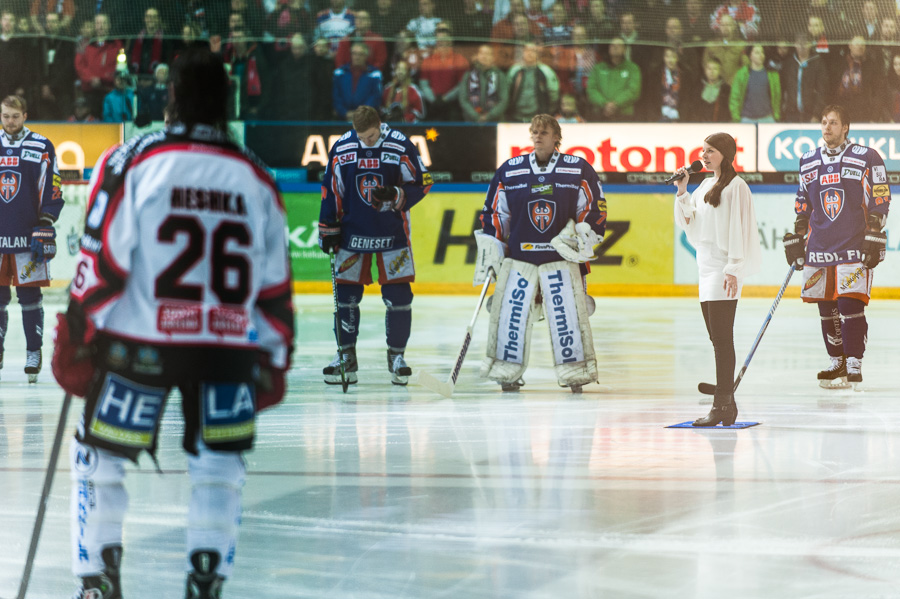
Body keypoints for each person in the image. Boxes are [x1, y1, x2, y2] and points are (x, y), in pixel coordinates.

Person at [52, 47, 295, 599]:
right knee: (219, 465)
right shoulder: (258, 176)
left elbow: (101, 262)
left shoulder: (131, 160)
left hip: (142, 344)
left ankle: (97, 583)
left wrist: (77, 334)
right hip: (227, 350)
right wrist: (273, 360)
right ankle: (206, 582)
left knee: (101, 457)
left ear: (171, 98)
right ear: (228, 102)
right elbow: (275, 287)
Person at [475, 114, 607, 392]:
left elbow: (594, 209)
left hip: (562, 261)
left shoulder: (578, 169)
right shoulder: (510, 170)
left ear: (557, 136)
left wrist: (583, 236)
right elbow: (495, 213)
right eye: (534, 131)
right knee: (512, 317)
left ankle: (576, 373)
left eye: (544, 132)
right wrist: (491, 249)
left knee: (568, 318)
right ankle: (507, 372)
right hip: (520, 260)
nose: (537, 136)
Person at [318, 105, 432, 386]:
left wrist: (396, 194)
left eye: (371, 136)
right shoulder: (343, 147)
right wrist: (328, 228)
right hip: (350, 234)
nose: (366, 141)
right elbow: (330, 189)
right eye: (361, 137)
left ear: (380, 125)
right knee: (346, 298)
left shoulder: (400, 144)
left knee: (399, 298)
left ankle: (397, 357)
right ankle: (346, 356)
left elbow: (424, 181)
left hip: (392, 234)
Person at [782, 105, 891, 389]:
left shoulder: (867, 156)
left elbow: (881, 194)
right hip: (819, 244)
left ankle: (854, 360)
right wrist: (799, 229)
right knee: (826, 307)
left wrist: (876, 228)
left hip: (854, 243)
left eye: (833, 123)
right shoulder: (807, 160)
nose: (826, 127)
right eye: (823, 122)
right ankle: (837, 361)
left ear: (846, 127)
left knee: (849, 303)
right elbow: (803, 199)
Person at [673, 132, 761, 426]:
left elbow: (740, 228)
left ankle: (723, 403)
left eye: (710, 151)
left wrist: (734, 269)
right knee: (716, 339)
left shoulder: (737, 187)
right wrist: (683, 191)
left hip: (724, 268)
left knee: (722, 340)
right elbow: (689, 222)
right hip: (705, 267)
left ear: (724, 153)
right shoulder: (705, 185)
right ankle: (726, 400)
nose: (704, 155)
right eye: (703, 150)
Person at [0, 95, 63, 383]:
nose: (10, 121)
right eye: (5, 116)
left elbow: (53, 183)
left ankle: (33, 353)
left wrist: (47, 221)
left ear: (25, 115)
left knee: (30, 297)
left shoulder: (41, 145)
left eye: (15, 116)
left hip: (28, 234)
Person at [729, 43, 781, 122]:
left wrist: (776, 114)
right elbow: (735, 97)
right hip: (747, 119)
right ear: (750, 56)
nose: (761, 55)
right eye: (757, 53)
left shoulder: (772, 74)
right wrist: (736, 117)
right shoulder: (741, 74)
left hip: (767, 118)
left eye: (762, 52)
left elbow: (777, 96)